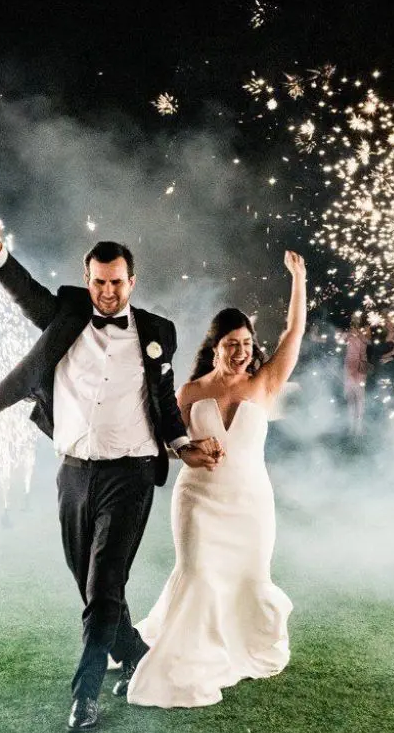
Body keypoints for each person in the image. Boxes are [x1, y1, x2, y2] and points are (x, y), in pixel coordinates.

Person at [0, 194, 223, 733]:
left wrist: (182, 447)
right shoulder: (65, 313)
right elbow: (24, 292)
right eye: (99, 282)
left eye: (117, 282)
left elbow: (163, 399)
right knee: (88, 585)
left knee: (105, 585)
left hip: (130, 474)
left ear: (133, 282)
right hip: (74, 474)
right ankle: (135, 652)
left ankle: (84, 696)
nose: (107, 292)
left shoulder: (157, 332)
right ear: (88, 279)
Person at [125, 250, 307, 708]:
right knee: (201, 575)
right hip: (198, 502)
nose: (241, 350)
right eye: (232, 343)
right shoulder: (190, 392)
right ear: (215, 346)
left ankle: (239, 644)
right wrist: (190, 450)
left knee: (249, 577)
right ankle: (188, 659)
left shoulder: (265, 383)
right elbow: (171, 439)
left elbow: (293, 333)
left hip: (250, 504)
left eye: (246, 342)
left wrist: (298, 281)